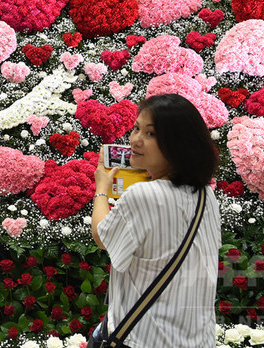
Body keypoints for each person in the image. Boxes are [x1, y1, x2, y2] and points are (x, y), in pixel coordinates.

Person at [90, 93, 221, 348]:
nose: (136, 140)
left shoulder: (143, 194)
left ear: (178, 144)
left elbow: (102, 236)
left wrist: (102, 189)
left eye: (151, 134)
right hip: (195, 338)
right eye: (137, 128)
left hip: (144, 337)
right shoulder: (207, 196)